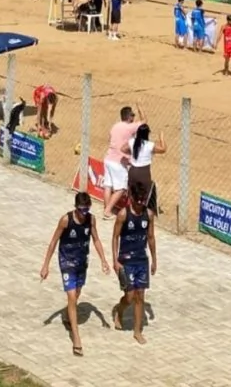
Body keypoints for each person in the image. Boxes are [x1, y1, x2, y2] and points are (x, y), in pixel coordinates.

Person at [40, 192, 110, 357]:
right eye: (81, 210)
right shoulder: (66, 220)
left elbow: (96, 240)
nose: (84, 213)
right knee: (72, 296)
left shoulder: (91, 220)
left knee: (77, 293)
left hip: (81, 262)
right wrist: (45, 265)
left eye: (87, 209)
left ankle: (67, 313)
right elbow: (53, 242)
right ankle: (76, 338)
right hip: (67, 262)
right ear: (76, 208)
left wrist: (103, 260)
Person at [111, 182, 157, 345]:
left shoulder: (149, 215)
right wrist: (115, 260)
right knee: (130, 296)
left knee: (140, 297)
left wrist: (154, 260)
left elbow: (151, 237)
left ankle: (137, 331)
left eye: (142, 200)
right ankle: (120, 310)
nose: (140, 203)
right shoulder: (123, 214)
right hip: (126, 261)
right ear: (131, 198)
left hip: (141, 260)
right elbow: (115, 237)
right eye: (137, 200)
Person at [103, 106, 141, 218]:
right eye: (133, 115)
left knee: (108, 186)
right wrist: (140, 108)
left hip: (108, 158)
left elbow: (109, 139)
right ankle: (107, 211)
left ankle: (107, 208)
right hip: (118, 162)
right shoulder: (129, 128)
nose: (134, 117)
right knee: (121, 188)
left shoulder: (115, 126)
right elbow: (144, 122)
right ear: (129, 117)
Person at [126, 124, 165, 214]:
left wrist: (132, 152)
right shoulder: (149, 145)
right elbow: (163, 149)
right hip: (143, 172)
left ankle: (131, 210)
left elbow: (123, 149)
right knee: (144, 192)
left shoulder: (132, 142)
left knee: (132, 191)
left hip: (132, 170)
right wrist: (161, 138)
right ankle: (141, 213)